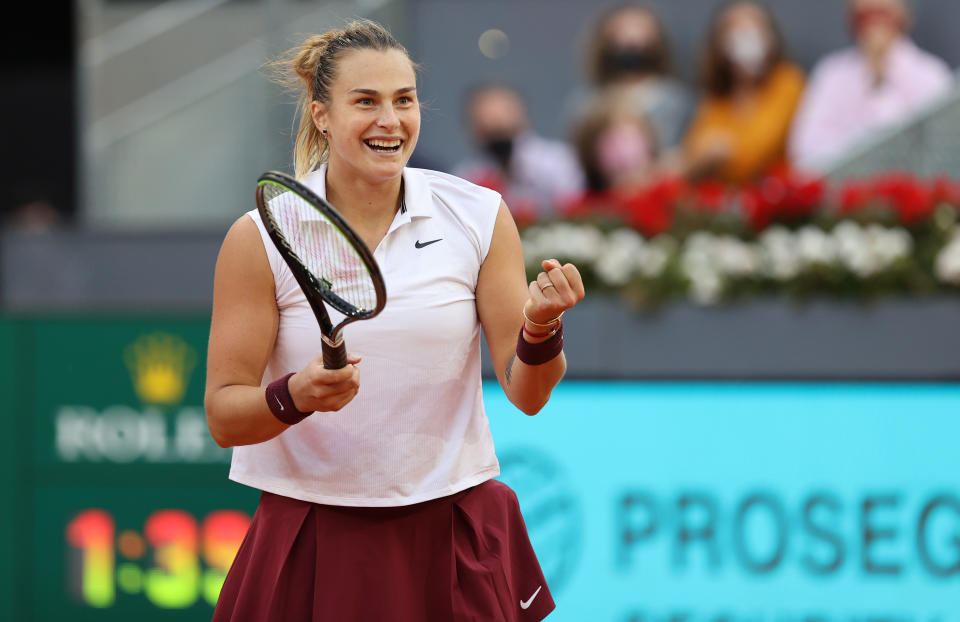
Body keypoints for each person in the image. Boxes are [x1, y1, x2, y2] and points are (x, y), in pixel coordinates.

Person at [204, 20, 584, 622]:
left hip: (453, 527)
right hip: (311, 532)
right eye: (367, 101)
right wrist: (295, 395)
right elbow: (226, 416)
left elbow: (528, 393)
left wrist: (541, 329)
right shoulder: (258, 239)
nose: (391, 120)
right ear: (322, 115)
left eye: (404, 100)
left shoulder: (479, 215)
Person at [789, 0, 953, 171]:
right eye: (865, 17)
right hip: (846, 189)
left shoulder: (930, 74)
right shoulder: (831, 73)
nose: (874, 26)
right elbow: (806, 148)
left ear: (902, 17)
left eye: (881, 14)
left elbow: (931, 146)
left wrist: (880, 79)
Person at [682, 0, 805, 184]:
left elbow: (757, 152)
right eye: (735, 28)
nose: (746, 35)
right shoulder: (716, 100)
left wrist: (718, 152)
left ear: (770, 37)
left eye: (755, 25)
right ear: (720, 44)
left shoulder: (788, 82)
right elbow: (691, 159)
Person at [569, 3, 695, 158]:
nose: (631, 39)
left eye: (641, 30)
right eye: (621, 32)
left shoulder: (676, 101)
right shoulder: (587, 103)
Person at [454, 83, 583, 223]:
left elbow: (572, 209)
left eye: (504, 115)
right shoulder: (467, 177)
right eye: (484, 119)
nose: (495, 122)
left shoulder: (558, 160)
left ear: (522, 115)